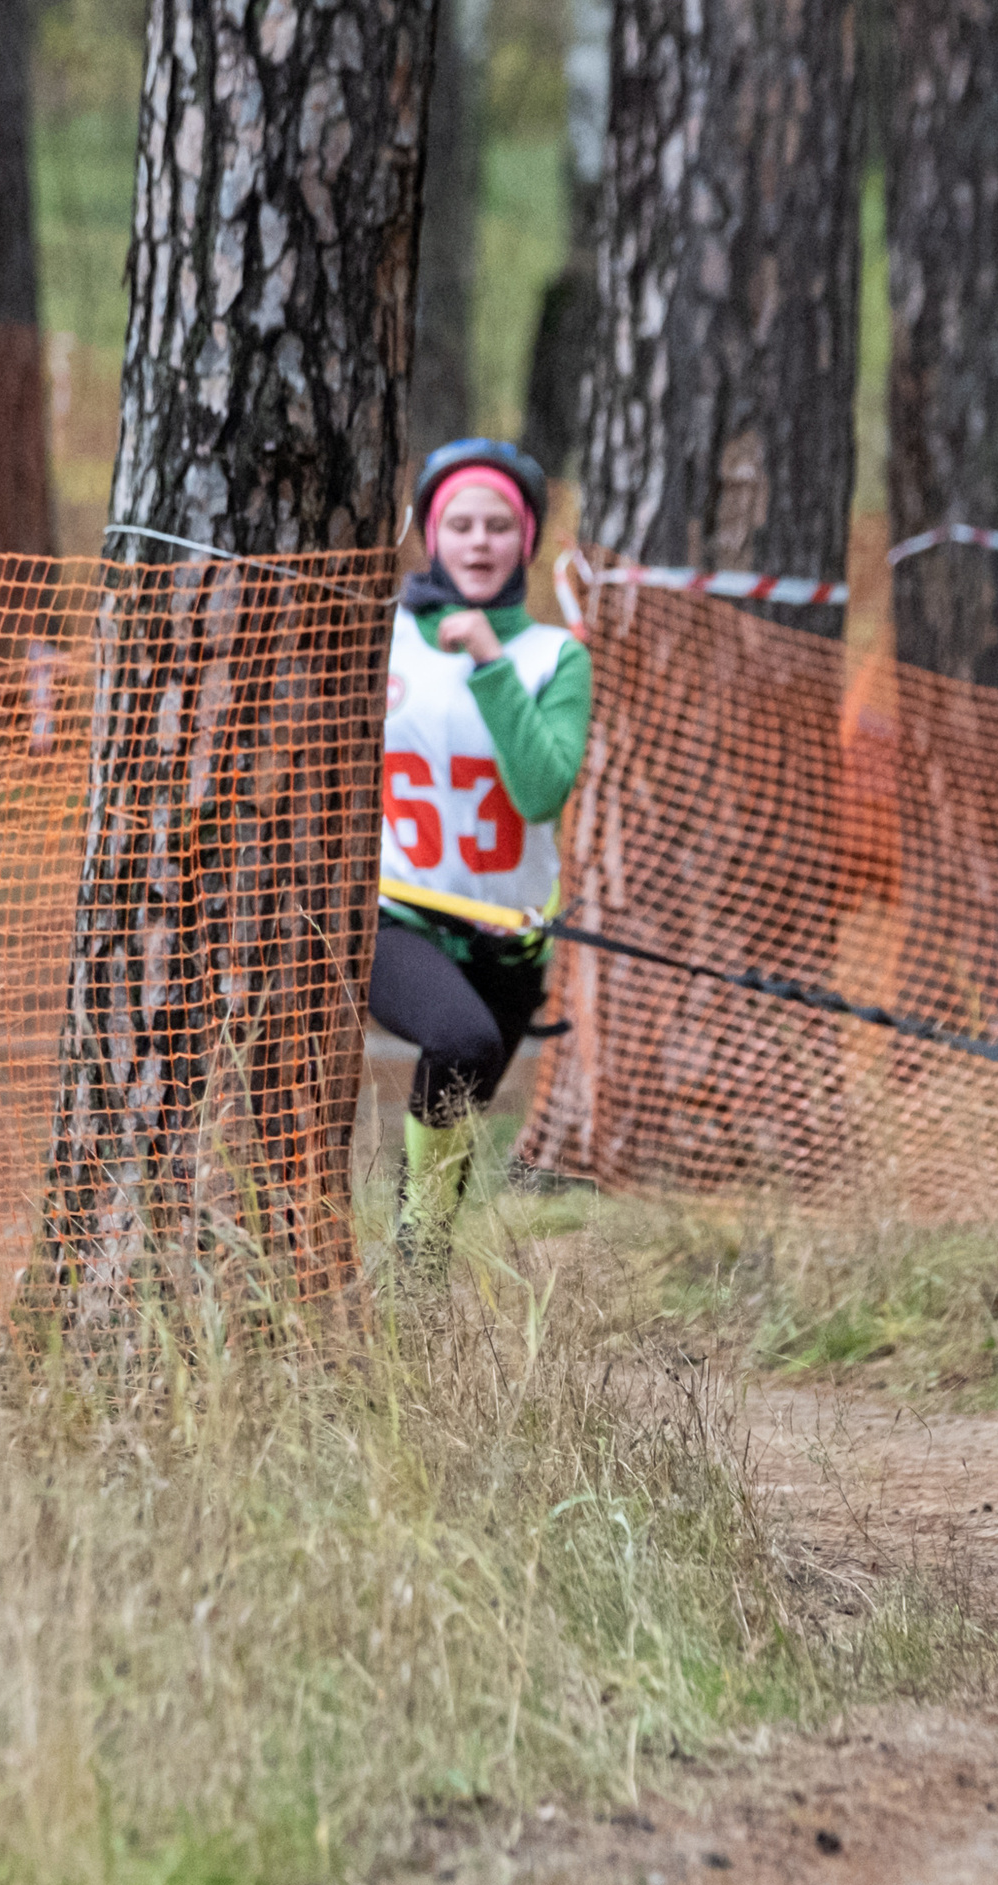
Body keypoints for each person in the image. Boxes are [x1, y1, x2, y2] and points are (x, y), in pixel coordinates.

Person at [373, 440, 591, 1273]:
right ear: (428, 533)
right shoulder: (381, 634)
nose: (477, 542)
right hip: (396, 919)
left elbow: (541, 789)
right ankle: (415, 1262)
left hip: (510, 942)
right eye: (458, 523)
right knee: (459, 1043)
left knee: (455, 1118)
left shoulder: (554, 658)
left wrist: (491, 662)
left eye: (498, 526)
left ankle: (412, 1301)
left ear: (525, 541)